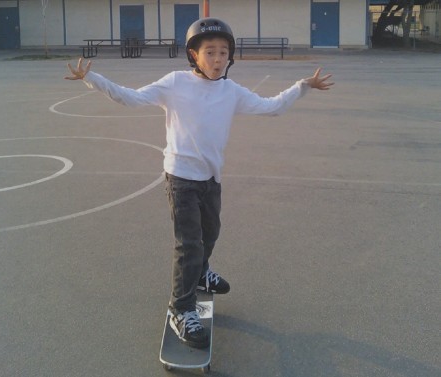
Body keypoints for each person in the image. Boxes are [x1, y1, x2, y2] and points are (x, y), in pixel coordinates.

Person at [65, 17, 333, 349]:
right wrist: (92, 78)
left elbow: (271, 108)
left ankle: (202, 272)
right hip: (181, 179)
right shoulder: (175, 83)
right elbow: (131, 98)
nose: (218, 59)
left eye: (224, 52)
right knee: (189, 245)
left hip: (211, 178)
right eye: (210, 52)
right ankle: (181, 308)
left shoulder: (230, 91)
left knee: (211, 234)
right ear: (194, 55)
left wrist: (302, 86)